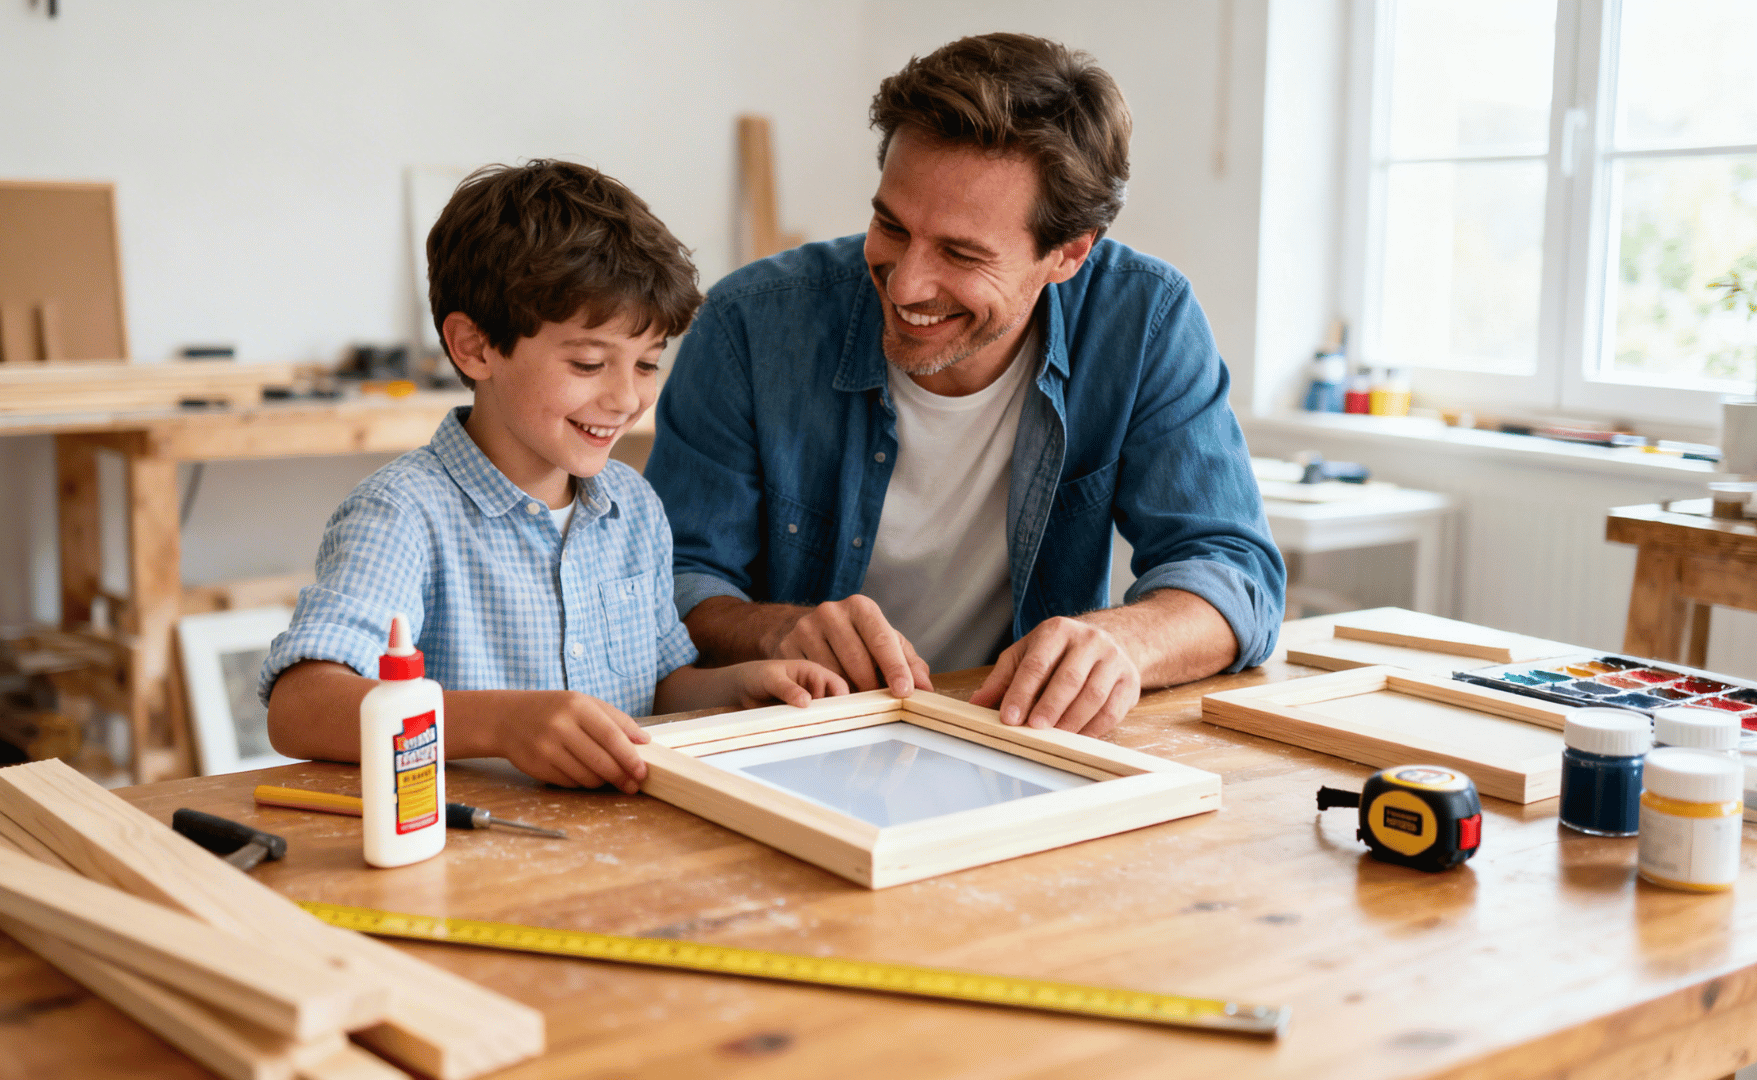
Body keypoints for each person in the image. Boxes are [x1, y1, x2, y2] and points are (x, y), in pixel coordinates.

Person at [646, 33, 1284, 738]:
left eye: (960, 252)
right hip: (800, 740)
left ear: (1068, 254)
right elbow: (668, 582)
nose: (908, 281)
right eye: (891, 225)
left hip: (1009, 740)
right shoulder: (751, 324)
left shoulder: (1145, 320)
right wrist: (776, 632)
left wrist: (1126, 642)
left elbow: (1236, 575)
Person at [261, 160, 846, 794]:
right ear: (475, 348)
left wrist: (737, 685)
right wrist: (504, 724)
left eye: (648, 364)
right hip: (471, 854)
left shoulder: (634, 506)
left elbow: (656, 686)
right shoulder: (404, 514)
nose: (626, 399)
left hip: (619, 844)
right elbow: (300, 709)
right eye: (590, 363)